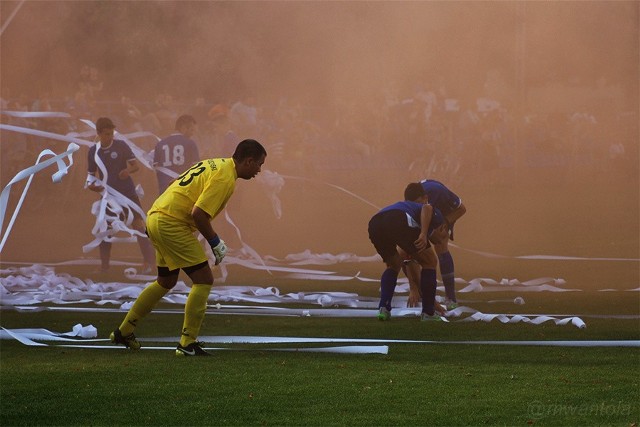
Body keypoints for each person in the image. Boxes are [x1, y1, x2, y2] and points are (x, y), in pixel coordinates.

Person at [110, 139, 267, 356]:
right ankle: (187, 343)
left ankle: (124, 330)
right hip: (171, 222)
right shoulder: (225, 177)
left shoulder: (214, 163)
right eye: (259, 164)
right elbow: (198, 214)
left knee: (166, 280)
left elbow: (176, 184)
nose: (259, 170)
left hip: (156, 215)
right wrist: (215, 242)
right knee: (204, 279)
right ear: (249, 161)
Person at [368, 182, 446, 322]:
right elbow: (427, 208)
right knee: (431, 261)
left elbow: (408, 260)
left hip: (375, 222)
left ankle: (383, 308)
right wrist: (423, 234)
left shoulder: (405, 208)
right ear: (424, 197)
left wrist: (416, 289)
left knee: (394, 264)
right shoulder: (427, 210)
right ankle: (428, 313)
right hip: (397, 219)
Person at [86, 117, 156, 273]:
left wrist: (127, 171)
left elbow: (135, 166)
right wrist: (92, 186)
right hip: (108, 196)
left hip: (127, 193)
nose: (109, 137)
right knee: (106, 228)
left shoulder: (121, 146)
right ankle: (105, 266)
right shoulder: (93, 151)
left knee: (138, 226)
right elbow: (90, 175)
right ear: (98, 133)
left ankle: (149, 262)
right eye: (106, 134)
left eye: (111, 134)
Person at [403, 179, 466, 311]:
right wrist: (413, 288)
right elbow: (406, 253)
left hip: (442, 214)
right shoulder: (409, 209)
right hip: (424, 215)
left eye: (419, 204)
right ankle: (421, 292)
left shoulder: (438, 192)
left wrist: (446, 222)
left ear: (425, 198)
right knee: (412, 248)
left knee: (441, 245)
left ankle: (451, 297)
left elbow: (462, 209)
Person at [153, 114, 200, 194]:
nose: (193, 133)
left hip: (165, 188)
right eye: (191, 129)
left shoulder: (160, 144)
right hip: (183, 187)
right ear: (184, 128)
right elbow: (196, 168)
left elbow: (155, 168)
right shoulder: (190, 143)